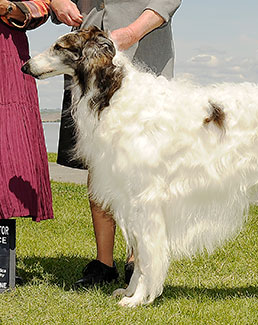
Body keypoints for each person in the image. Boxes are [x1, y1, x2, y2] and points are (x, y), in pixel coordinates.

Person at [50, 0, 181, 287]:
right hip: (88, 70)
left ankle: (140, 260)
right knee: (100, 167)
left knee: (144, 171)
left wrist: (134, 31)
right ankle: (103, 263)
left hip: (143, 57)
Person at [0, 1, 53, 222]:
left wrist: (10, 9)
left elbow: (42, 6)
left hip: (5, 47)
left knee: (8, 142)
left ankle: (3, 250)